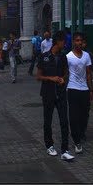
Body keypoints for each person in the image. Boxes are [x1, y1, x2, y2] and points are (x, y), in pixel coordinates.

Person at [38, 31, 74, 161]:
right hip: (47, 93)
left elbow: (66, 73)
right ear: (58, 41)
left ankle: (65, 149)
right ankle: (49, 145)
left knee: (64, 121)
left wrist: (63, 78)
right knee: (47, 121)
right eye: (64, 41)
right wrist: (51, 78)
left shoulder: (63, 57)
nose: (65, 44)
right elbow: (39, 76)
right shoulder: (44, 57)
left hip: (60, 93)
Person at [66, 32, 93, 153]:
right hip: (72, 89)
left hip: (84, 89)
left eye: (80, 41)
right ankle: (76, 140)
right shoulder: (68, 57)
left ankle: (81, 132)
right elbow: (66, 73)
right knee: (74, 116)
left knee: (84, 115)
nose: (79, 43)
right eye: (77, 40)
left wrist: (91, 89)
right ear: (73, 42)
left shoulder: (86, 56)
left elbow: (88, 73)